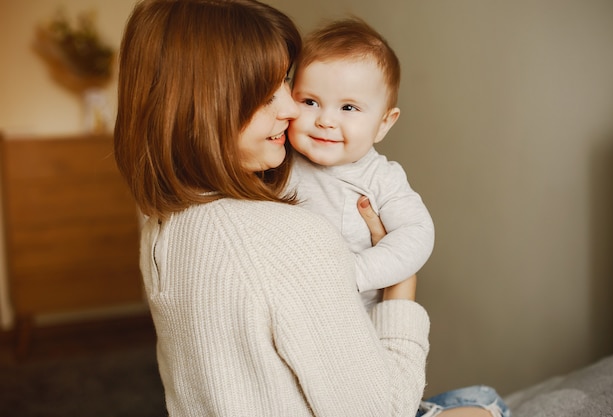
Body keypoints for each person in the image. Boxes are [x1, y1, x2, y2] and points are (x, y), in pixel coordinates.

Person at [114, 1, 508, 416]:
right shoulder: (287, 235)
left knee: (476, 400)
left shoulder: (163, 220)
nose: (292, 109)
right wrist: (401, 289)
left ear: (386, 121)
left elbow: (415, 232)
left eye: (285, 84)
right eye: (271, 95)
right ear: (204, 109)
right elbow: (384, 411)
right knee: (485, 407)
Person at [287, 18, 435, 312]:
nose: (325, 120)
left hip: (349, 318)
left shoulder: (381, 178)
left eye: (348, 108)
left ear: (383, 124)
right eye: (310, 102)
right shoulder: (278, 157)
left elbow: (417, 233)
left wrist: (356, 272)